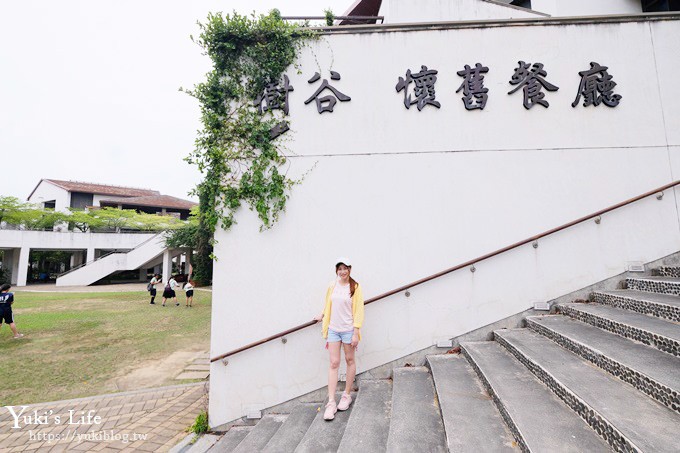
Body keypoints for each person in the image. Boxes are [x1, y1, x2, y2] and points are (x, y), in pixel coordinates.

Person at [314, 258, 364, 421]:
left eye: (345, 268)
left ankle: (347, 395)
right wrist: (322, 315)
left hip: (349, 330)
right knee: (334, 363)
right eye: (339, 269)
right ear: (336, 270)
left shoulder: (355, 287)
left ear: (350, 269)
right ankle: (330, 402)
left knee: (350, 360)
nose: (342, 272)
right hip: (334, 330)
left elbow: (359, 310)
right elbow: (328, 303)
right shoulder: (332, 285)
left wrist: (356, 331)